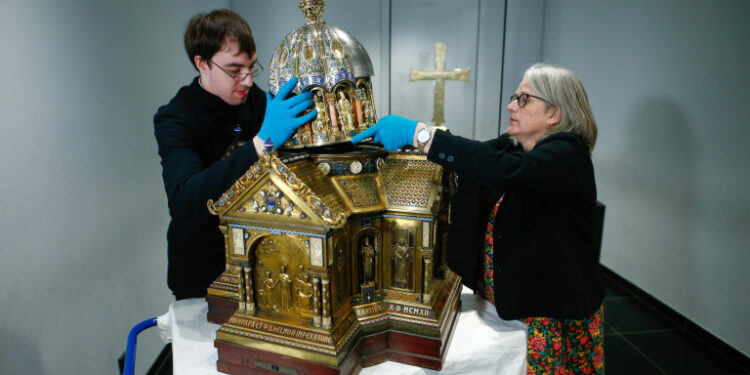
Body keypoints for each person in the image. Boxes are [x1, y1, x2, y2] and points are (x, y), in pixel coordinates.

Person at [352, 63, 605, 374]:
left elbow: (500, 169)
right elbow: (477, 160)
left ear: (553, 114)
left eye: (523, 99)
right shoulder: (515, 148)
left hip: (550, 315)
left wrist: (419, 133)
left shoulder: (567, 155)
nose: (512, 105)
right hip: (508, 305)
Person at [154, 9, 316, 300]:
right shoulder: (176, 118)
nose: (246, 80)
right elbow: (185, 201)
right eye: (234, 70)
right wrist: (260, 144)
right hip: (205, 270)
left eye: (252, 68)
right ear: (201, 63)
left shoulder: (257, 100)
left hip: (263, 259)